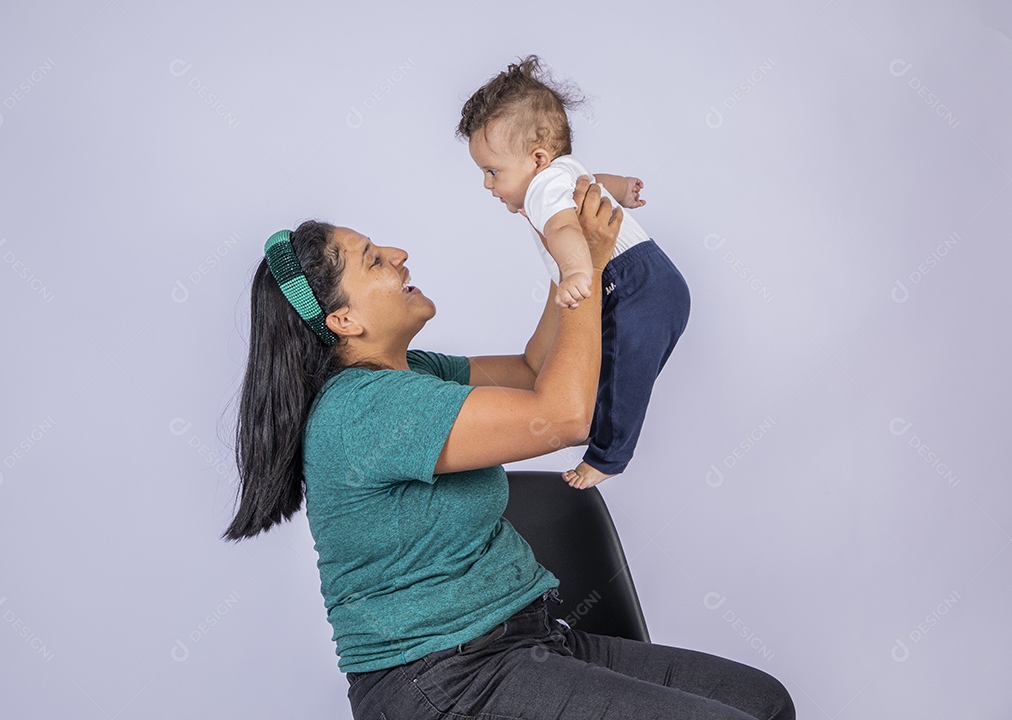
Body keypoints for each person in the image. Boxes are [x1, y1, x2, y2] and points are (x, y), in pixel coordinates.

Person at [222, 179, 794, 719]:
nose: (397, 253)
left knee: (763, 703)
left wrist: (559, 250)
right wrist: (587, 266)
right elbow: (563, 417)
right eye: (373, 258)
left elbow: (532, 370)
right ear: (342, 319)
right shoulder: (366, 409)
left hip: (532, 639)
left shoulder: (415, 374)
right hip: (441, 678)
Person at [457, 55, 691, 491]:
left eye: (493, 171)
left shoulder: (544, 191)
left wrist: (578, 271)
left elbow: (566, 229)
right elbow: (595, 180)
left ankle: (607, 456)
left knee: (622, 376)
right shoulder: (561, 172)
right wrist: (624, 187)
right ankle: (595, 430)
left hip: (628, 284)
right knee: (610, 369)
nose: (488, 185)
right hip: (655, 279)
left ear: (537, 158)